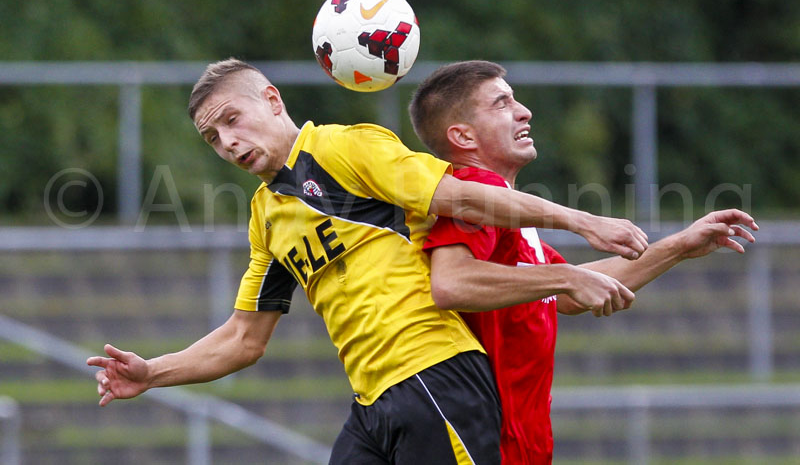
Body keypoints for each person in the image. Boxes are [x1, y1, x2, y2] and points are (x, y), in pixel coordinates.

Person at [87, 58, 649, 464]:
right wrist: (153, 372)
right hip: (372, 404)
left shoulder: (345, 148)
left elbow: (459, 194)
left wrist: (585, 221)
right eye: (213, 137)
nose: (228, 142)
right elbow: (244, 339)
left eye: (232, 119)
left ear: (273, 100)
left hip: (437, 379)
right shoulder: (266, 217)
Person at [408, 60, 759, 464]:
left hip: (517, 442)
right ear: (463, 135)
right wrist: (563, 275)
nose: (524, 111)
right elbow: (451, 283)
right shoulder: (476, 188)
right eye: (502, 104)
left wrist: (678, 246)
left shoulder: (508, 213)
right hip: (484, 443)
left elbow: (570, 293)